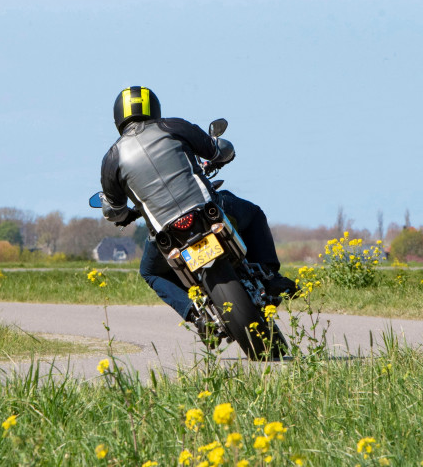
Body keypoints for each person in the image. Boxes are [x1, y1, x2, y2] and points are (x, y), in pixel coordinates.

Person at [99, 86, 297, 333]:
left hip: (165, 233)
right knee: (254, 213)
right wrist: (221, 154)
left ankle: (194, 314)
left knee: (150, 272)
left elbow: (114, 210)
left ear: (118, 117)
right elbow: (219, 150)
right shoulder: (173, 127)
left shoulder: (111, 159)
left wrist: (127, 214)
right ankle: (270, 276)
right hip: (206, 209)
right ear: (154, 107)